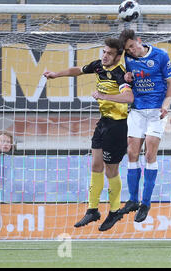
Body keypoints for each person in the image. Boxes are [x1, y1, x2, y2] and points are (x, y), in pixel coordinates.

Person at [43, 38, 133, 231]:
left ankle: (115, 210)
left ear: (118, 56)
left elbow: (128, 97)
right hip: (103, 122)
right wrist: (55, 74)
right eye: (104, 52)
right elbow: (77, 70)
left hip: (118, 126)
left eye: (109, 53)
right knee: (95, 164)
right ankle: (93, 210)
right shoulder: (99, 66)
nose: (105, 56)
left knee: (111, 171)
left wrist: (104, 96)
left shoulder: (121, 74)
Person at [118, 29, 171, 223]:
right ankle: (133, 200)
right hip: (136, 110)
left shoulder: (160, 55)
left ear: (139, 41)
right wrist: (126, 78)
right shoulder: (126, 58)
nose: (132, 51)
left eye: (133, 46)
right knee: (132, 153)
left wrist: (166, 105)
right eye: (128, 49)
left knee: (149, 154)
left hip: (157, 111)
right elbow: (123, 78)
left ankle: (145, 203)